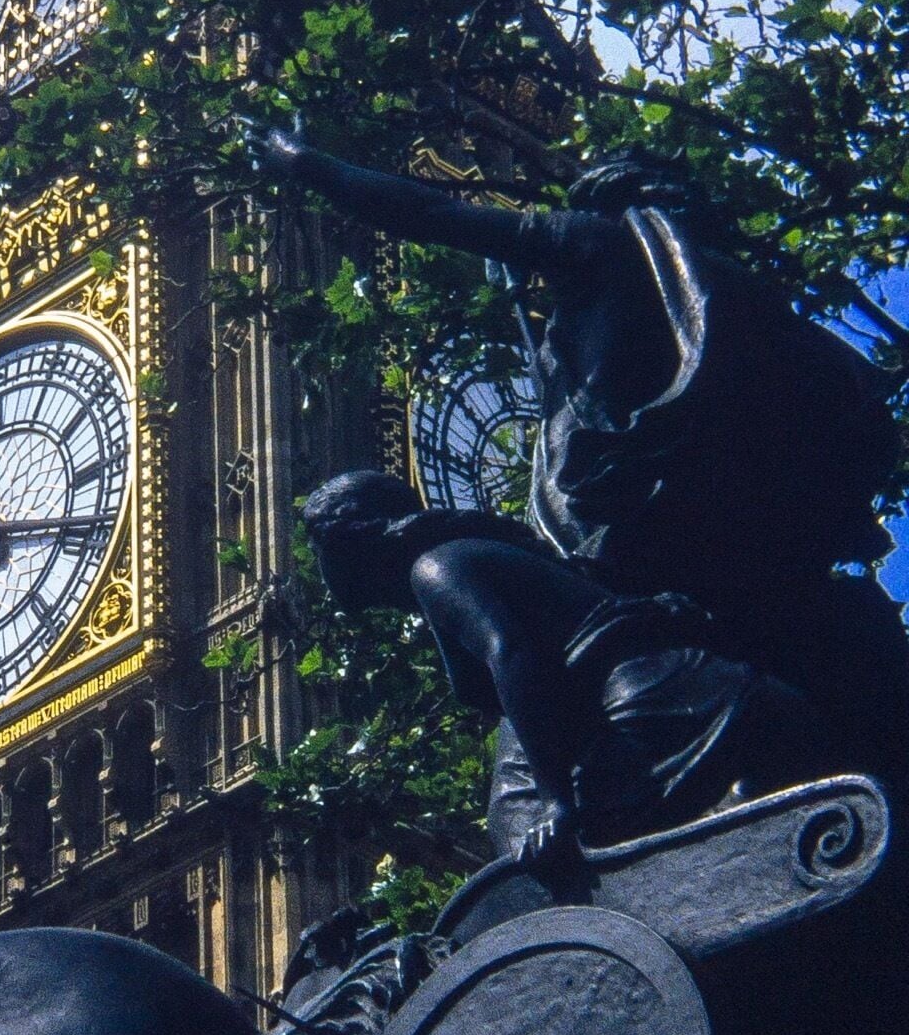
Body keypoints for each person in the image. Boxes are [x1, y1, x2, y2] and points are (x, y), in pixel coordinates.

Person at [258, 132, 909, 789]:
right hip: (729, 525)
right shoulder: (718, 291)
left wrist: (309, 165)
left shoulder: (592, 242)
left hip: (632, 533)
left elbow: (432, 215)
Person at [302, 468, 826, 865]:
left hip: (658, 708)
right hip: (674, 687)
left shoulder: (436, 567)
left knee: (558, 866)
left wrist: (557, 802)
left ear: (364, 547)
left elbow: (511, 654)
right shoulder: (469, 556)